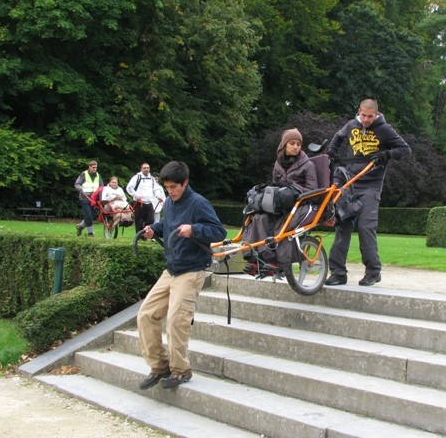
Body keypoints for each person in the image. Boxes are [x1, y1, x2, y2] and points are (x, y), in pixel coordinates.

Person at [137, 161, 226, 390]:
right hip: (172, 269)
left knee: (177, 320)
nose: (171, 191)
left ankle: (181, 370)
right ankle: (159, 367)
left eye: (174, 187)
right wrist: (152, 230)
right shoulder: (169, 201)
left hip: (192, 270)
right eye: (167, 187)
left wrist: (194, 229)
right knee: (146, 315)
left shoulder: (198, 203)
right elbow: (168, 224)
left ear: (185, 183)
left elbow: (219, 231)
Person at [324, 99, 411, 286]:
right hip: (349, 183)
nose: (365, 120)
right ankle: (338, 273)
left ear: (376, 114)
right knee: (342, 227)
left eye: (370, 116)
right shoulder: (351, 125)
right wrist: (331, 154)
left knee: (365, 227)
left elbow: (405, 150)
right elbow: (338, 137)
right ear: (359, 111)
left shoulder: (385, 129)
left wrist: (386, 155)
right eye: (363, 115)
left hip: (371, 185)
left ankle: (373, 272)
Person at [242, 128, 318, 277]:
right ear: (284, 145)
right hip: (282, 205)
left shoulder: (308, 165)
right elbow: (275, 185)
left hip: (301, 204)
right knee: (259, 218)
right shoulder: (278, 165)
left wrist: (293, 190)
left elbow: (313, 190)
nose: (296, 146)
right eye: (292, 143)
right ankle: (256, 258)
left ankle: (276, 262)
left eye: (298, 144)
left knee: (282, 226)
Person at [126, 163, 164, 233]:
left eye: (147, 168)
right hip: (139, 202)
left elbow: (155, 189)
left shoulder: (152, 179)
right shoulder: (137, 177)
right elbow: (129, 188)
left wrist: (158, 196)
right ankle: (139, 236)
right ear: (141, 169)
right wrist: (136, 195)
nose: (146, 169)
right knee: (139, 221)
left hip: (149, 202)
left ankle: (147, 234)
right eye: (144, 168)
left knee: (151, 220)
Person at [74, 160, 103, 237]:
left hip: (94, 199)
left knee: (91, 216)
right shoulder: (84, 174)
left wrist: (100, 199)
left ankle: (80, 226)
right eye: (93, 167)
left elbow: (101, 187)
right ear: (89, 167)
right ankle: (90, 233)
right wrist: (81, 189)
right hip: (85, 198)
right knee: (89, 216)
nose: (94, 169)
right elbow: (77, 184)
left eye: (96, 167)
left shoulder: (98, 176)